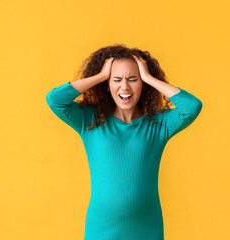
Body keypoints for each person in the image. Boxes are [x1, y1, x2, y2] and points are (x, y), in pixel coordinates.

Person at [45, 44, 203, 240]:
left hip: (146, 229)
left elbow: (192, 107)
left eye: (133, 79)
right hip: (100, 230)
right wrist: (101, 76)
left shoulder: (157, 125)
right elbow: (54, 100)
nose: (125, 87)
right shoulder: (91, 121)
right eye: (116, 79)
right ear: (107, 85)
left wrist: (149, 78)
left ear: (143, 84)